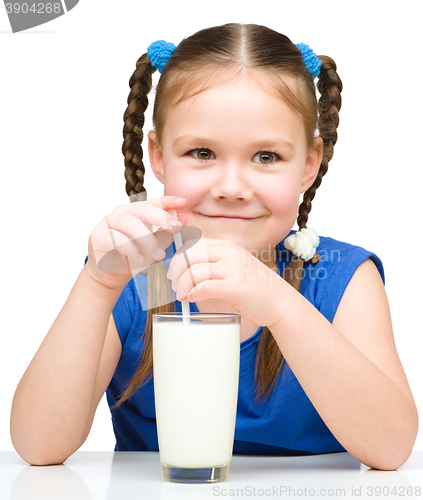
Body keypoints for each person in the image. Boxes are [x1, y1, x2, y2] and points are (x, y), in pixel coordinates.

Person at [10, 23, 418, 471]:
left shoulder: (339, 276)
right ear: (160, 158)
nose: (230, 187)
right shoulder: (137, 275)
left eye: (266, 157)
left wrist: (280, 305)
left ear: (308, 165)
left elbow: (391, 447)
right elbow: (39, 446)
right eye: (202, 153)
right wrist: (96, 285)